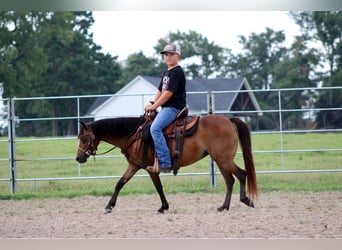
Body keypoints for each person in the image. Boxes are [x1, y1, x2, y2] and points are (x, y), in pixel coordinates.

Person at [144, 44, 187, 173]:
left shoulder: (177, 72)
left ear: (178, 56)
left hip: (173, 107)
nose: (168, 57)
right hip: (166, 107)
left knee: (155, 128)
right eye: (166, 55)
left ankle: (165, 163)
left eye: (171, 54)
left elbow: (168, 93)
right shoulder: (167, 72)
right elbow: (160, 91)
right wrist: (153, 103)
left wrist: (154, 106)